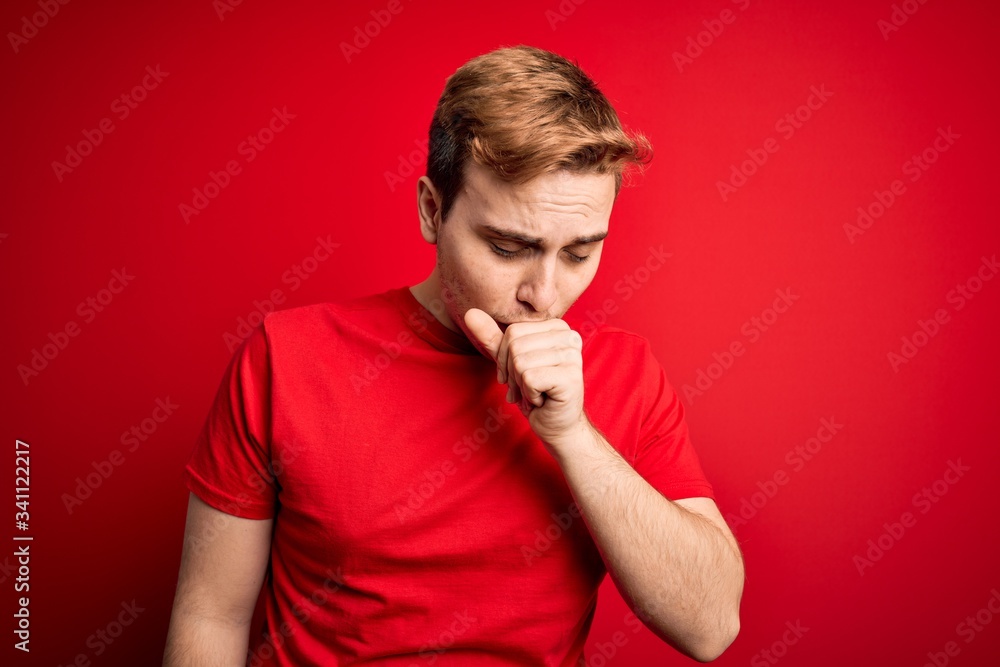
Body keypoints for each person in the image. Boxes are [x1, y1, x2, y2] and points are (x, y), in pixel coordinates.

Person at [163, 44, 744, 666]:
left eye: (579, 252)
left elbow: (709, 627)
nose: (544, 294)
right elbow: (210, 615)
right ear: (432, 211)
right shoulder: (286, 357)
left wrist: (572, 434)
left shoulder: (627, 374)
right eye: (508, 248)